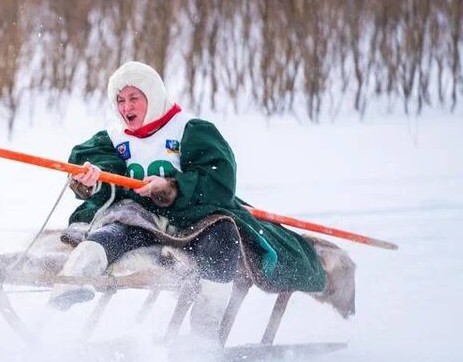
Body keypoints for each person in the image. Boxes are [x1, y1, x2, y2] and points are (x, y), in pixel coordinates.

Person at [50, 60, 327, 311]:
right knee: (108, 235)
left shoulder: (189, 130)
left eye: (134, 98)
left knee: (223, 241)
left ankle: (204, 337)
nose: (126, 107)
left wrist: (171, 187)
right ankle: (70, 284)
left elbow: (219, 179)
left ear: (153, 96)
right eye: (120, 100)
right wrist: (91, 180)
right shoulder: (112, 138)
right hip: (138, 220)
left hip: (191, 221)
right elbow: (102, 168)